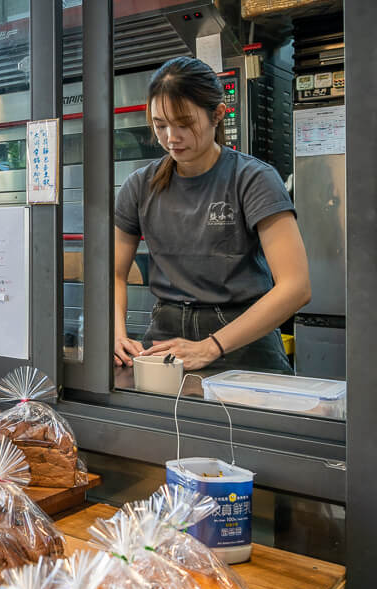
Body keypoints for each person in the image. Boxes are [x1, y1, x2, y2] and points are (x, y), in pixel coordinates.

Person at [114, 57, 311, 373]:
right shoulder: (140, 185)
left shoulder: (253, 179)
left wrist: (212, 346)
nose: (171, 138)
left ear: (217, 115)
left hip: (244, 340)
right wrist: (116, 331)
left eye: (184, 124)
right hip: (167, 338)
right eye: (160, 125)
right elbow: (113, 273)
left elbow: (296, 286)